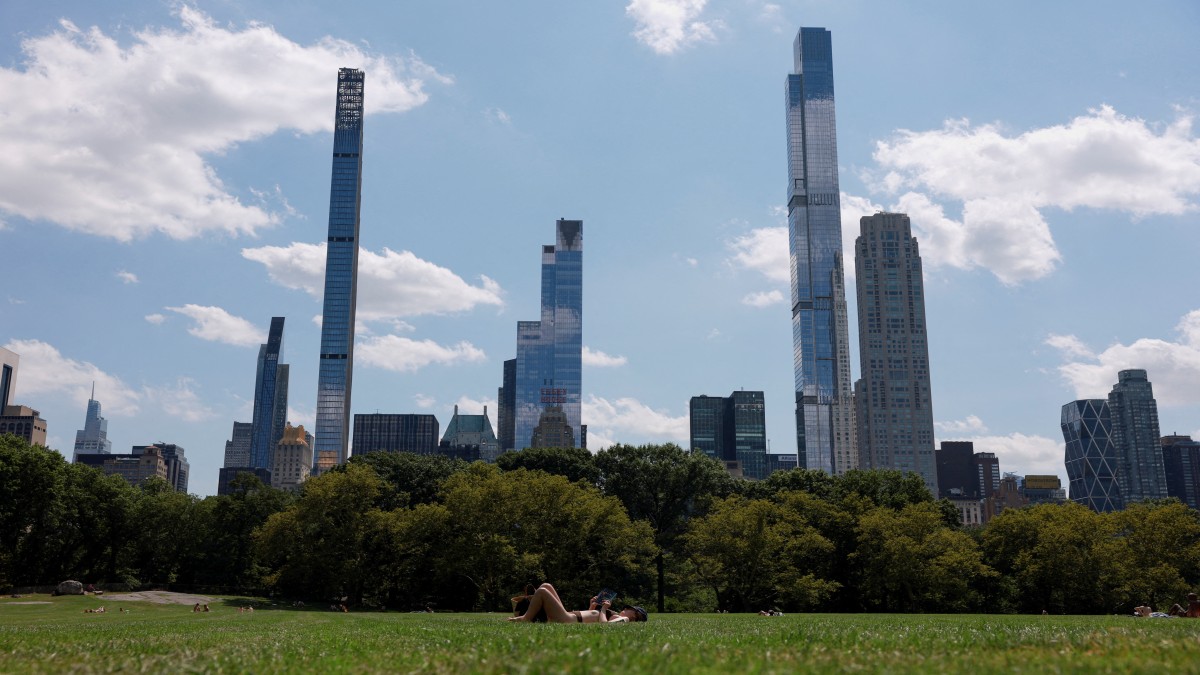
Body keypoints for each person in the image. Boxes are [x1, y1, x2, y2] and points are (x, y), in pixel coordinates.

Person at [507, 583, 647, 624]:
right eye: (630, 609)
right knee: (547, 586)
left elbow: (605, 626)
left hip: (569, 619)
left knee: (543, 591)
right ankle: (535, 607)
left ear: (634, 617)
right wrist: (592, 606)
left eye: (632, 611)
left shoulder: (625, 619)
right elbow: (591, 619)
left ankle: (526, 617)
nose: (628, 610)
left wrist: (603, 609)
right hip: (571, 615)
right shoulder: (616, 615)